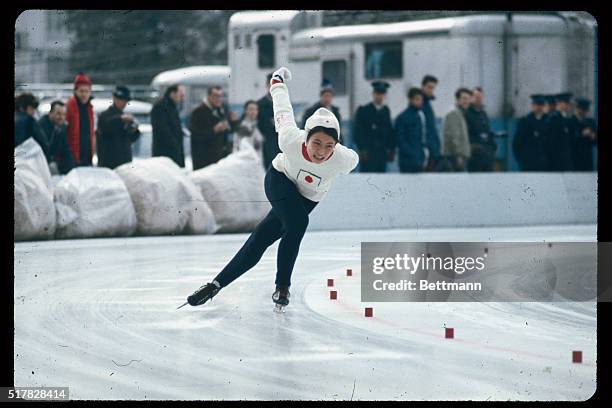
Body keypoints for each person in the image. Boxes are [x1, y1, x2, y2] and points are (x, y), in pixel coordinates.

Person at [184, 67, 359, 310]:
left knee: (261, 238)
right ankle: (283, 286)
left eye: (329, 146)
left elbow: (353, 158)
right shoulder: (289, 138)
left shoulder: (344, 159)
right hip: (280, 180)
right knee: (298, 224)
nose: (321, 152)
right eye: (316, 143)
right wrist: (277, 82)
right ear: (305, 138)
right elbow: (283, 109)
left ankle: (215, 285)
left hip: (307, 198)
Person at [188, 86, 239, 170]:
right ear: (208, 96)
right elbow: (196, 135)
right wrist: (213, 130)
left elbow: (228, 132)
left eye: (221, 96)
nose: (219, 99)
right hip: (204, 161)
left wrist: (233, 122)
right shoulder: (198, 112)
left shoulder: (221, 110)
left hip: (220, 158)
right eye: (216, 96)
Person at [352, 81, 395, 173]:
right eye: (377, 93)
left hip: (382, 153)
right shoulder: (364, 111)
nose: (379, 96)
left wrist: (391, 149)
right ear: (373, 94)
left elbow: (390, 131)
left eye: (382, 94)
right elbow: (358, 132)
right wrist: (362, 149)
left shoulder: (386, 111)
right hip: (368, 153)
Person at [96, 86, 141, 169]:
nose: (123, 103)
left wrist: (135, 130)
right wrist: (120, 119)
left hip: (125, 162)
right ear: (114, 98)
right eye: (121, 100)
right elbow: (106, 128)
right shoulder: (104, 115)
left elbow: (131, 138)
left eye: (125, 101)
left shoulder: (126, 116)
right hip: (109, 163)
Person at [395, 88, 436, 173]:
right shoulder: (402, 118)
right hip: (408, 161)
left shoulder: (421, 116)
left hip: (421, 159)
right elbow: (400, 140)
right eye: (417, 99)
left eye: (421, 99)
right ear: (410, 99)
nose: (420, 102)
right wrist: (412, 155)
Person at [512, 94, 550, 171]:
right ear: (533, 106)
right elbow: (516, 143)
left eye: (541, 105)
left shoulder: (548, 121)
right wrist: (522, 160)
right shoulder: (525, 121)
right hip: (529, 164)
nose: (539, 107)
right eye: (537, 105)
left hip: (545, 163)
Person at [151, 84, 185, 167]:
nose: (182, 99)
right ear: (172, 93)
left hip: (173, 153)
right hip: (165, 154)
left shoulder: (173, 108)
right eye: (181, 95)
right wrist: (174, 144)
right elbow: (162, 129)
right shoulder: (161, 107)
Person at [37, 100, 76, 175]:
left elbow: (66, 150)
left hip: (53, 163)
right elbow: (42, 151)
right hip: (40, 166)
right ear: (50, 113)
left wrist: (71, 171)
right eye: (58, 114)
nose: (62, 117)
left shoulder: (61, 127)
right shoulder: (40, 127)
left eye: (64, 114)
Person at [464, 87, 497, 172]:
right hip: (474, 155)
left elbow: (487, 131)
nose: (479, 99)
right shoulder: (467, 114)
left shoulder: (483, 114)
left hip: (487, 155)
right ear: (471, 98)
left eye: (480, 97)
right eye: (476, 97)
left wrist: (493, 147)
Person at [66, 72, 95, 166]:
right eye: (81, 91)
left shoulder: (89, 108)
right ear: (75, 91)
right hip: (72, 157)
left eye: (87, 91)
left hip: (86, 156)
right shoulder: (69, 106)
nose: (84, 94)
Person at [440, 88, 472, 172]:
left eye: (468, 99)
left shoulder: (459, 113)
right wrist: (459, 155)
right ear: (457, 99)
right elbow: (454, 136)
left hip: (456, 156)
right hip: (454, 157)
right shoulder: (454, 113)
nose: (467, 101)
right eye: (464, 98)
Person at [545, 92, 575, 171]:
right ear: (558, 103)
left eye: (568, 103)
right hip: (557, 162)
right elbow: (551, 142)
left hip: (566, 161)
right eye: (565, 103)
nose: (567, 105)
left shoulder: (566, 118)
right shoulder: (554, 119)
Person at [258, 73, 280, 170]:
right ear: (267, 85)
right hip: (267, 144)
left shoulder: (283, 102)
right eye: (272, 84)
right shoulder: (260, 104)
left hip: (281, 143)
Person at [570, 98, 597, 171]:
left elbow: (595, 141)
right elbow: (569, 139)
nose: (582, 112)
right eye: (580, 109)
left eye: (585, 110)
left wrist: (592, 136)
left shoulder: (590, 122)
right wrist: (581, 134)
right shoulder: (571, 121)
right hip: (574, 156)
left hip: (587, 155)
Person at [420, 75, 441, 170]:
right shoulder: (421, 105)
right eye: (429, 87)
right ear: (422, 87)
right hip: (426, 150)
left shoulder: (427, 104)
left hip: (433, 149)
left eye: (433, 88)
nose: (431, 90)